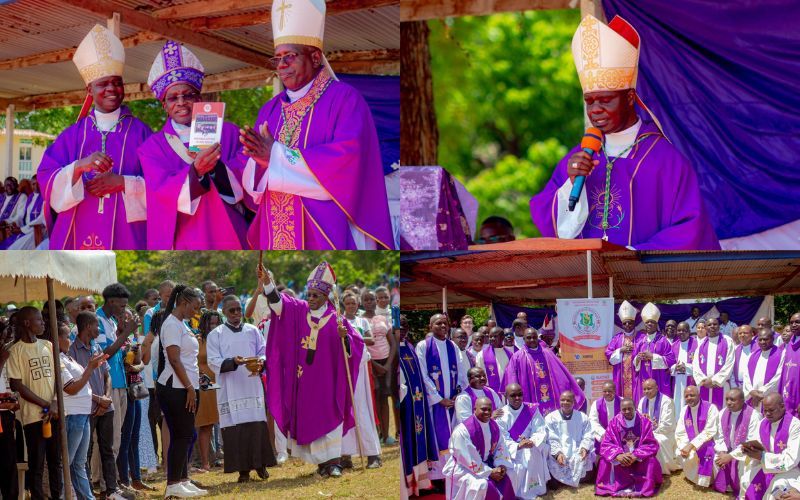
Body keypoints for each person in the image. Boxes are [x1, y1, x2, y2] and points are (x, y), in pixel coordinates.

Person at [529, 15, 719, 249]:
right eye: (590, 101)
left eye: (605, 100)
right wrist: (570, 184)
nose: (595, 110)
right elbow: (553, 227)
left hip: (642, 272)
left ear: (629, 98)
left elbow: (690, 230)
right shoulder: (580, 158)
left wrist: (632, 256)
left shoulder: (666, 161)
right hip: (589, 273)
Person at [240, 0, 393, 250]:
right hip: (274, 229)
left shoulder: (344, 99)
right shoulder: (269, 109)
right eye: (277, 58)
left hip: (325, 228)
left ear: (315, 57)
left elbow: (348, 162)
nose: (281, 65)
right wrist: (257, 161)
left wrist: (275, 156)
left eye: (290, 56)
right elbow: (253, 178)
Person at [37, 25, 149, 249]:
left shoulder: (142, 133)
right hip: (77, 230)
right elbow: (46, 178)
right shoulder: (72, 135)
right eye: (103, 84)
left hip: (127, 234)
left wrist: (123, 183)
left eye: (117, 82)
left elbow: (162, 185)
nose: (112, 89)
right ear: (89, 90)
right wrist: (79, 166)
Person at [138, 40, 248, 250]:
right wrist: (196, 172)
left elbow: (248, 179)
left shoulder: (229, 132)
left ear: (198, 97)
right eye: (173, 98)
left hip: (230, 230)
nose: (181, 102)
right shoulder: (151, 148)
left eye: (187, 95)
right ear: (164, 105)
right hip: (188, 236)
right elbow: (161, 195)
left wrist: (216, 168)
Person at [261, 262, 365, 478]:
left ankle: (334, 462)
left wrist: (345, 338)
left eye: (315, 295)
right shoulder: (300, 311)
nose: (310, 298)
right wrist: (268, 284)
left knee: (331, 415)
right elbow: (279, 304)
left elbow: (356, 346)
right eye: (309, 294)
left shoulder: (337, 319)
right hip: (305, 380)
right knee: (311, 418)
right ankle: (321, 463)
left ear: (326, 296)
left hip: (328, 380)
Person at [206, 295, 276, 482]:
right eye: (232, 310)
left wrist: (261, 362)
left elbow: (263, 351)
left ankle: (261, 465)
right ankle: (243, 471)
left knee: (256, 424)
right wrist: (233, 362)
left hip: (251, 384)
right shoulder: (216, 334)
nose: (236, 313)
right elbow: (212, 361)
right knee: (235, 428)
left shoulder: (252, 330)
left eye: (239, 309)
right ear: (224, 312)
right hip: (230, 387)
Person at [71, 311, 131, 500]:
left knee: (108, 449)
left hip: (105, 406)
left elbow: (107, 375)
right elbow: (76, 383)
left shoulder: (96, 347)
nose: (99, 329)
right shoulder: (72, 351)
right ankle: (88, 491)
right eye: (97, 325)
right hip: (87, 408)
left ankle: (111, 490)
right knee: (85, 453)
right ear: (88, 326)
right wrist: (99, 400)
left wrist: (106, 397)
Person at [156, 285, 208, 498]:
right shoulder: (171, 325)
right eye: (195, 307)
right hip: (175, 388)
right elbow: (174, 360)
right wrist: (189, 388)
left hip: (186, 386)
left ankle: (182, 480)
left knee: (187, 434)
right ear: (184, 303)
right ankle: (173, 485)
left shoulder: (181, 324)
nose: (197, 312)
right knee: (182, 435)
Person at [7, 306, 61, 500]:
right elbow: (17, 385)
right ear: (27, 323)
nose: (43, 322)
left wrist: (54, 402)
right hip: (33, 416)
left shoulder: (48, 345)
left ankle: (57, 496)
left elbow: (58, 376)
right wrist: (45, 404)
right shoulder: (15, 350)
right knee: (37, 464)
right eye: (39, 319)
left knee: (55, 462)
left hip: (54, 412)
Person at [57, 320, 106, 500]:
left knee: (79, 462)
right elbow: (71, 388)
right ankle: (64, 495)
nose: (70, 340)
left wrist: (91, 367)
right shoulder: (58, 360)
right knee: (67, 462)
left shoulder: (67, 357)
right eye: (67, 336)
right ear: (57, 339)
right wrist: (89, 368)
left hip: (82, 414)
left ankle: (86, 497)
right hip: (73, 414)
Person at [96, 283, 137, 473]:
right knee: (111, 438)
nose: (124, 309)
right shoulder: (98, 320)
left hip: (120, 382)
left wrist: (123, 333)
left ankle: (110, 479)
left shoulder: (111, 321)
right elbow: (104, 353)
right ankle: (108, 482)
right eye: (122, 305)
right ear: (111, 301)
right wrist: (126, 332)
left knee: (117, 435)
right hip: (108, 384)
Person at [397, 315, 439, 496]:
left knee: (418, 440)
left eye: (405, 326)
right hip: (405, 405)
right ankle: (409, 486)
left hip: (417, 403)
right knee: (408, 442)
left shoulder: (410, 347)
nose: (402, 329)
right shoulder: (393, 348)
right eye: (399, 326)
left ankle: (421, 484)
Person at [442, 397, 516, 499]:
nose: (487, 412)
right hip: (464, 467)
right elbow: (468, 458)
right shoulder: (463, 431)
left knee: (510, 473)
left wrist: (501, 464)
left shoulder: (494, 426)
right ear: (474, 409)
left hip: (486, 463)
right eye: (483, 409)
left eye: (489, 409)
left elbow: (500, 446)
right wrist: (490, 472)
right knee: (482, 484)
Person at [505, 327, 585, 414]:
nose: (532, 340)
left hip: (551, 396)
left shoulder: (547, 353)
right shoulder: (517, 357)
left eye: (534, 337)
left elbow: (561, 374)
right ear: (524, 339)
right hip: (530, 396)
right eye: (529, 337)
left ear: (538, 338)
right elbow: (512, 378)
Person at [596, 398, 662, 497]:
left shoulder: (644, 422)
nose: (627, 411)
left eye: (630, 408)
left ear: (635, 408)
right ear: (620, 410)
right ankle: (614, 487)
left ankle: (642, 488)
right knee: (604, 460)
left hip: (638, 458)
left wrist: (636, 455)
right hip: (621, 459)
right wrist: (618, 455)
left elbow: (651, 443)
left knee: (651, 460)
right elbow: (606, 443)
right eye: (624, 409)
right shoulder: (614, 422)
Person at [740, 393, 800, 498]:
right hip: (765, 466)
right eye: (765, 410)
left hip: (789, 470)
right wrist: (750, 450)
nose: (767, 414)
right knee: (745, 480)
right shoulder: (763, 423)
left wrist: (763, 457)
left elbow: (791, 459)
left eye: (771, 410)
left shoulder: (795, 425)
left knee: (778, 488)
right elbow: (756, 443)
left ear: (782, 406)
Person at [495, 383, 549, 498]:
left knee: (533, 454)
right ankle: (516, 492)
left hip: (531, 445)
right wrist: (518, 446)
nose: (517, 398)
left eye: (520, 394)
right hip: (512, 450)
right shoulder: (501, 414)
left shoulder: (532, 409)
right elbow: (502, 438)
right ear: (506, 396)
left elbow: (540, 429)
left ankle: (535, 489)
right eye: (513, 395)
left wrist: (532, 441)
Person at [360, 289, 396, 445]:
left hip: (386, 361)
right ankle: (377, 433)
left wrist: (387, 365)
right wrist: (374, 365)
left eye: (372, 299)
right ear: (362, 302)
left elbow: (392, 342)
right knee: (374, 396)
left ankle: (386, 435)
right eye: (366, 300)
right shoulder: (360, 320)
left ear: (376, 301)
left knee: (385, 396)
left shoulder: (382, 318)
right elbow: (361, 345)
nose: (369, 302)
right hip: (370, 362)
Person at [712, 388, 761, 496]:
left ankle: (741, 490)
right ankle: (726, 485)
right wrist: (722, 451)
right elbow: (719, 436)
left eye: (732, 399)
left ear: (742, 400)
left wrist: (731, 456)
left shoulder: (754, 416)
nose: (729, 402)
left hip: (746, 452)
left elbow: (751, 442)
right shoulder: (722, 413)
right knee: (715, 458)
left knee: (746, 465)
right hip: (726, 449)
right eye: (727, 399)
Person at [544, 391, 594, 487]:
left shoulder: (582, 417)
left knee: (587, 473)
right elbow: (551, 438)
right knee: (554, 480)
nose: (565, 402)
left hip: (577, 450)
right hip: (559, 451)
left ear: (574, 402)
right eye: (563, 400)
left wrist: (584, 448)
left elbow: (588, 435)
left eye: (568, 400)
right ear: (559, 401)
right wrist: (558, 454)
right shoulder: (551, 418)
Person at [675, 385, 719, 487]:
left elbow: (709, 431)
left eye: (692, 395)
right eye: (686, 396)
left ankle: (706, 480)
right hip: (689, 443)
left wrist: (691, 445)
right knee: (680, 452)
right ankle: (693, 477)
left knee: (707, 452)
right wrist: (684, 446)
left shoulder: (711, 408)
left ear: (699, 395)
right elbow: (680, 432)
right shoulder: (684, 410)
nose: (689, 398)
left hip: (709, 441)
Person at [195, 310, 222, 472]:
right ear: (203, 324)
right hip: (205, 386)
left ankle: (226, 457)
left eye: (216, 323)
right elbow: (192, 362)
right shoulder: (198, 340)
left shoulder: (223, 339)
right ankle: (205, 463)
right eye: (211, 323)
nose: (214, 326)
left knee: (224, 423)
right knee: (205, 424)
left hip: (223, 383)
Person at [632, 302, 675, 401]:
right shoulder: (640, 341)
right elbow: (634, 362)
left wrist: (652, 356)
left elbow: (671, 360)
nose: (649, 324)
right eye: (647, 322)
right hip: (643, 377)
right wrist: (638, 358)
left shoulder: (663, 340)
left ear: (656, 324)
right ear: (645, 324)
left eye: (652, 322)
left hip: (658, 377)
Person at [636, 378, 679, 474]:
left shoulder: (666, 401)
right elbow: (639, 419)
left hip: (664, 433)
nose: (646, 391)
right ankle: (643, 468)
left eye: (649, 388)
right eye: (644, 389)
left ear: (656, 388)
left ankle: (661, 469)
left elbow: (667, 424)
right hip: (647, 432)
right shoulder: (642, 401)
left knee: (657, 440)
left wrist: (651, 432)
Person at [693, 317, 735, 409]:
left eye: (715, 324)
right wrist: (703, 380)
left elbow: (729, 363)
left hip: (721, 385)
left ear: (719, 326)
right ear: (705, 328)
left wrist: (715, 380)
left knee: (721, 412)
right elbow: (696, 365)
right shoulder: (701, 343)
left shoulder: (727, 341)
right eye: (709, 325)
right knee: (705, 411)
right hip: (704, 386)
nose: (712, 326)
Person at [606, 301, 643, 399]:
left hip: (636, 375)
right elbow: (608, 355)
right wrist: (620, 350)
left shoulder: (641, 337)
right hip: (620, 376)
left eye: (630, 322)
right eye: (625, 323)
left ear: (634, 323)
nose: (627, 325)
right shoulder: (617, 338)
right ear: (622, 325)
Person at [743, 328, 784, 412]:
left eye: (765, 339)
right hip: (752, 396)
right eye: (760, 339)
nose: (762, 342)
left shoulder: (781, 354)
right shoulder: (753, 355)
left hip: (769, 396)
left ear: (772, 339)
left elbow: (778, 377)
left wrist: (761, 393)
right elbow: (746, 376)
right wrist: (751, 391)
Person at [0, 322, 19, 500]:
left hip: (6, 416)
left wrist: (10, 400)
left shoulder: (6, 354)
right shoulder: (3, 356)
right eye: (2, 337)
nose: (4, 342)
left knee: (8, 463)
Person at [2, 174, 44, 250]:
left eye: (38, 183)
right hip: (25, 229)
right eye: (33, 184)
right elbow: (25, 216)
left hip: (36, 231)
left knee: (13, 249)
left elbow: (39, 219)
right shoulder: (31, 197)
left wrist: (19, 228)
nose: (36, 186)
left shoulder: (44, 197)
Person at [475, 326, 513, 395]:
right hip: (489, 393)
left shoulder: (510, 354)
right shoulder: (481, 354)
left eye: (495, 336)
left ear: (502, 337)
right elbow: (479, 375)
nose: (492, 339)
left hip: (507, 392)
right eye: (490, 336)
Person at [671, 321, 697, 417]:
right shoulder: (674, 345)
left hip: (690, 379)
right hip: (677, 381)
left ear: (689, 332)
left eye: (684, 330)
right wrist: (675, 367)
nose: (681, 332)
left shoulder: (696, 344)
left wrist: (686, 367)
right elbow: (669, 364)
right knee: (677, 404)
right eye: (679, 330)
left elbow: (700, 365)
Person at [588, 381, 622, 456]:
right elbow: (592, 421)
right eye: (605, 391)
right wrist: (604, 434)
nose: (607, 393)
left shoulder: (622, 401)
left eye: (609, 391)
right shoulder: (596, 403)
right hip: (603, 435)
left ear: (614, 391)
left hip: (620, 436)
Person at [779, 312, 800, 417]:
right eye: (791, 322)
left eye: (797, 322)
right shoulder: (789, 344)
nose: (793, 325)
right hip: (787, 392)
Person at [732, 324, 757, 389]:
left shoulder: (759, 349)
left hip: (753, 386)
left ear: (752, 334)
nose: (742, 335)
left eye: (745, 333)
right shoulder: (736, 349)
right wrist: (734, 385)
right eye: (740, 333)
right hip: (738, 386)